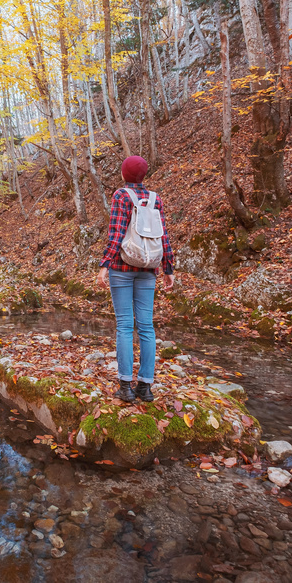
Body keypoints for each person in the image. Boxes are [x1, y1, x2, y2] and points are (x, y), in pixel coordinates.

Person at [95, 156, 174, 403]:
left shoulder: (121, 195)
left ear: (124, 174)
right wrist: (168, 268)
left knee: (125, 326)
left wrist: (104, 265)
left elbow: (117, 233)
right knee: (147, 327)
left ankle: (126, 387)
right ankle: (146, 387)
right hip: (148, 268)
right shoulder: (154, 198)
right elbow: (163, 236)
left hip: (122, 266)